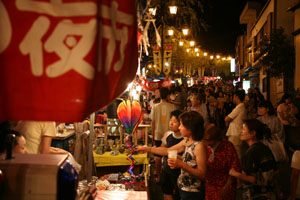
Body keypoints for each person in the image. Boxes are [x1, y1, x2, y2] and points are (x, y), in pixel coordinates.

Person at [137, 111, 207, 200]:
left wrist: (181, 164)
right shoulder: (186, 141)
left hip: (192, 191)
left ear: (190, 128)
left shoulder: (199, 146)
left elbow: (202, 174)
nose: (179, 127)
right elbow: (168, 150)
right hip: (182, 187)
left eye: (182, 125)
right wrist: (148, 149)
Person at [229, 119, 278, 199]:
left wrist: (234, 173)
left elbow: (252, 179)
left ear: (253, 133)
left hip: (257, 195)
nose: (241, 131)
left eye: (244, 129)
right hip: (270, 194)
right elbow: (275, 171)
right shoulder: (265, 148)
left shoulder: (251, 152)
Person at [203, 124, 241, 200]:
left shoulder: (228, 147)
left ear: (216, 139)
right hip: (210, 185)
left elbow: (235, 167)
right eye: (205, 140)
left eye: (209, 140)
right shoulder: (206, 147)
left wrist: (226, 187)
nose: (207, 143)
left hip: (226, 185)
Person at [150, 87, 176, 182]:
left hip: (158, 133)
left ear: (160, 95)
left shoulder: (155, 106)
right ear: (168, 95)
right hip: (170, 134)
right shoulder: (172, 107)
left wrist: (153, 135)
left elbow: (153, 122)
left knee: (158, 155)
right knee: (169, 154)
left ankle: (158, 174)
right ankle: (167, 175)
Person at [160, 110, 183, 200]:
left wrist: (178, 157)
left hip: (178, 173)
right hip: (167, 170)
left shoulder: (185, 139)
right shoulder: (168, 135)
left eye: (174, 122)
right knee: (167, 193)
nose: (171, 124)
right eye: (170, 120)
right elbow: (163, 149)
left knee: (178, 196)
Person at [225, 89, 247, 160]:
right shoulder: (240, 106)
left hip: (236, 134)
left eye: (233, 96)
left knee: (236, 154)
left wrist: (228, 118)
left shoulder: (240, 107)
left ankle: (238, 169)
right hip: (236, 133)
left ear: (236, 97)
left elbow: (227, 118)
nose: (232, 98)